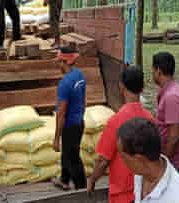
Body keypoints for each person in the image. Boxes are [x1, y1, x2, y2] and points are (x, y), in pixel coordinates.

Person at [87, 66, 155, 203]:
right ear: (142, 88)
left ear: (121, 86)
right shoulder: (150, 120)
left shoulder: (116, 121)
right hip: (145, 192)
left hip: (122, 194)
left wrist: (92, 179)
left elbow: (103, 161)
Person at [117, 117, 179, 203]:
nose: (123, 162)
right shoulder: (141, 174)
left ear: (139, 159)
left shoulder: (177, 198)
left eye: (124, 157)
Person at [52, 47, 87, 190]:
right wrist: (80, 117)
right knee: (68, 153)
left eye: (59, 62)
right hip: (79, 122)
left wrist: (56, 138)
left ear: (64, 62)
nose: (58, 65)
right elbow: (84, 102)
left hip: (70, 126)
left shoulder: (65, 83)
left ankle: (83, 189)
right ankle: (64, 180)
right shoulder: (80, 75)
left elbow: (61, 114)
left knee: (73, 159)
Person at [152, 52, 179, 173]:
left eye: (152, 70)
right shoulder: (171, 91)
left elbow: (174, 137)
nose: (152, 74)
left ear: (158, 71)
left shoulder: (171, 97)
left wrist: (163, 163)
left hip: (171, 165)